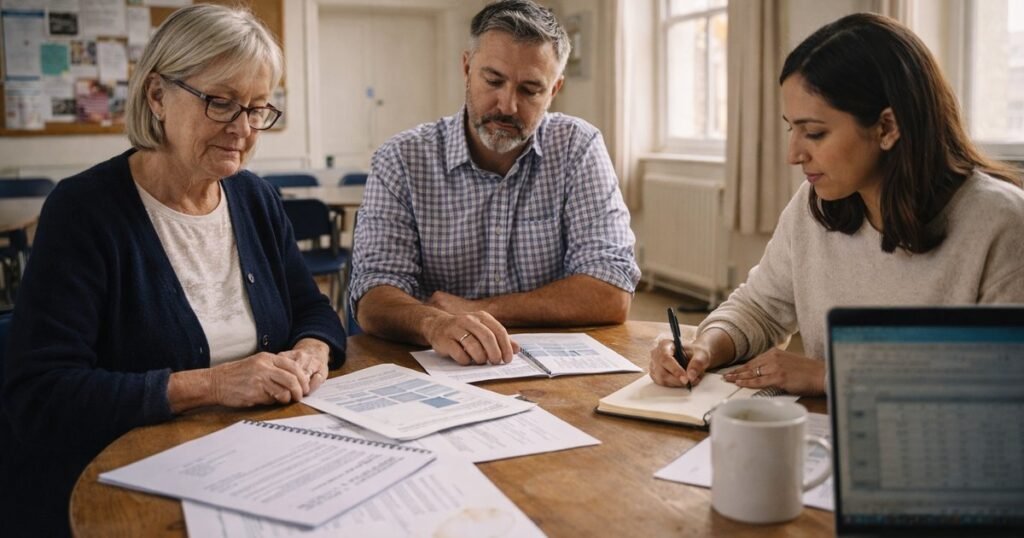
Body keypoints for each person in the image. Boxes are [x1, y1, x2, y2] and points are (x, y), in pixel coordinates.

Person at [0, 5, 346, 536]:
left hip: (254, 462)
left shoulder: (254, 198)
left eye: (257, 109)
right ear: (157, 95)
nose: (243, 129)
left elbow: (314, 310)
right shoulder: (83, 211)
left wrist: (311, 351)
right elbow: (41, 394)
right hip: (120, 484)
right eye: (221, 103)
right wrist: (210, 385)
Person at [650, 13, 1024, 396]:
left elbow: (1004, 383)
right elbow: (760, 307)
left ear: (887, 127)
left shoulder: (1000, 222)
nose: (793, 154)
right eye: (790, 128)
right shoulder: (814, 207)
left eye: (814, 132)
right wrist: (705, 345)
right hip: (831, 435)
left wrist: (826, 377)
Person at [349, 0, 640, 366]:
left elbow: (612, 292)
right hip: (434, 364)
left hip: (552, 369)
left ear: (554, 90)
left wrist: (478, 310)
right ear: (467, 68)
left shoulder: (578, 148)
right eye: (493, 80)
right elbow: (372, 297)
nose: (507, 106)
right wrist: (435, 324)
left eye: (530, 89)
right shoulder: (401, 159)